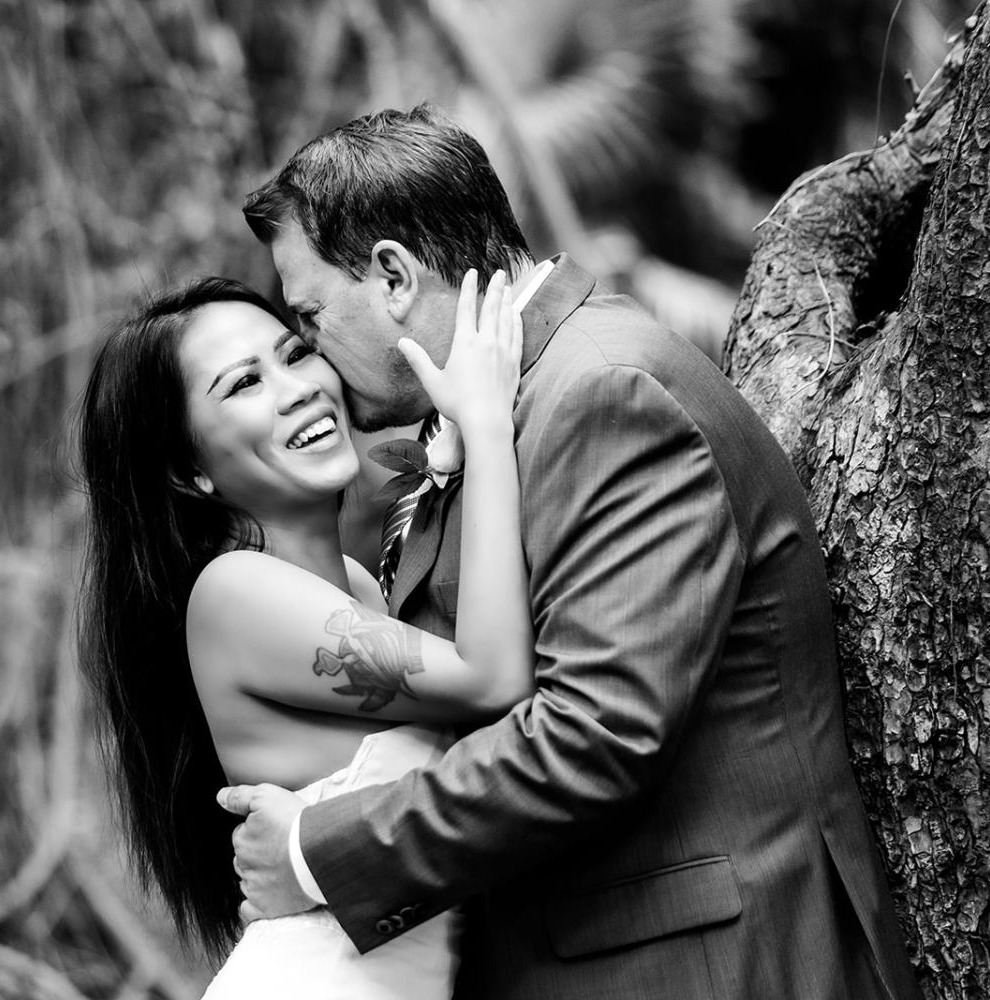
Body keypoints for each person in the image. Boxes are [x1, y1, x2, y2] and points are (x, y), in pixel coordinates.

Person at [220, 104, 922, 1000]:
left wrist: (315, 854)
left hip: (704, 968)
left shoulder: (605, 394)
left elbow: (596, 731)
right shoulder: (501, 405)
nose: (314, 358)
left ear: (392, 275)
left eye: (312, 316)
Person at [77, 269, 542, 998]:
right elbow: (490, 677)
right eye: (242, 385)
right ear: (188, 470)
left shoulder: (356, 585)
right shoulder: (234, 591)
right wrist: (482, 424)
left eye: (295, 354)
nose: (297, 388)